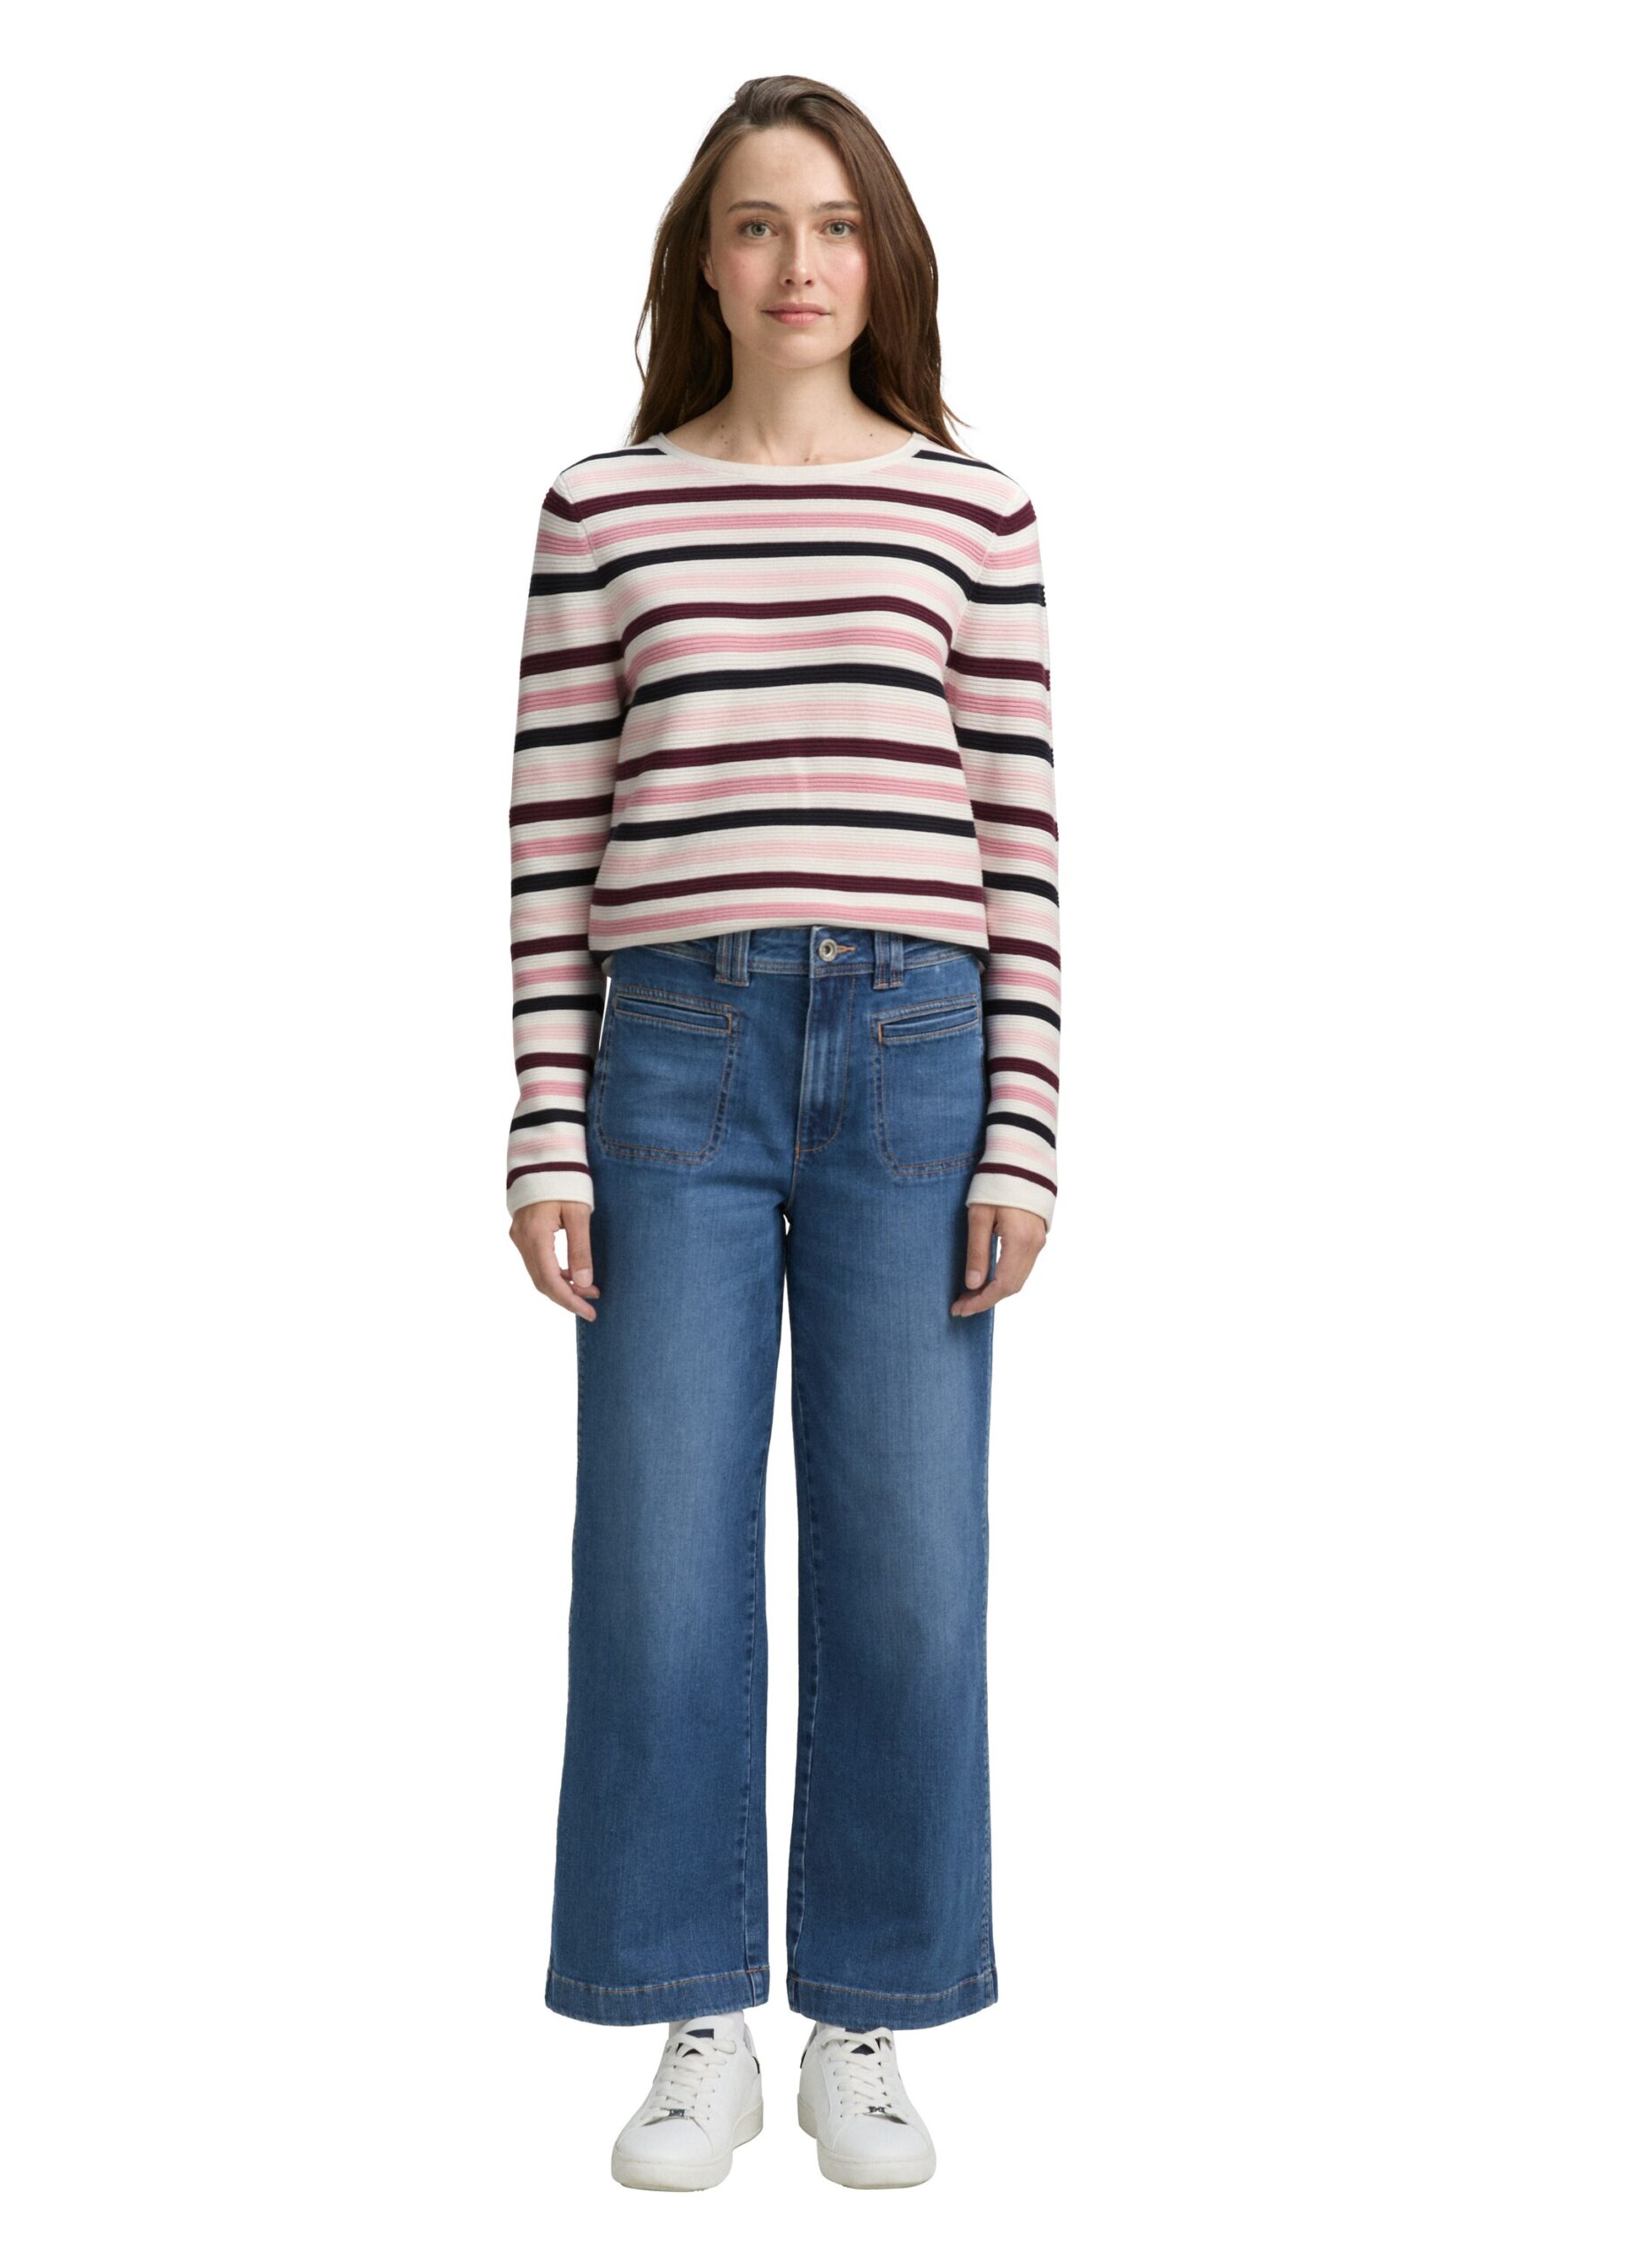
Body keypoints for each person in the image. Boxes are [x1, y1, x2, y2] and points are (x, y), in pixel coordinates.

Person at [505, 74, 1059, 2192]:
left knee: (908, 1564)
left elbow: (1017, 833)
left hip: (916, 1052)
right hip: (670, 1056)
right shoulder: (603, 509)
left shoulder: (971, 512)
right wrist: (543, 1125)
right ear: (703, 263)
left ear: (881, 259)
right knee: (656, 1557)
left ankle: (868, 2017)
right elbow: (551, 833)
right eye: (755, 224)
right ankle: (691, 2016)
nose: (796, 261)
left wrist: (1023, 1128)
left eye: (831, 224)